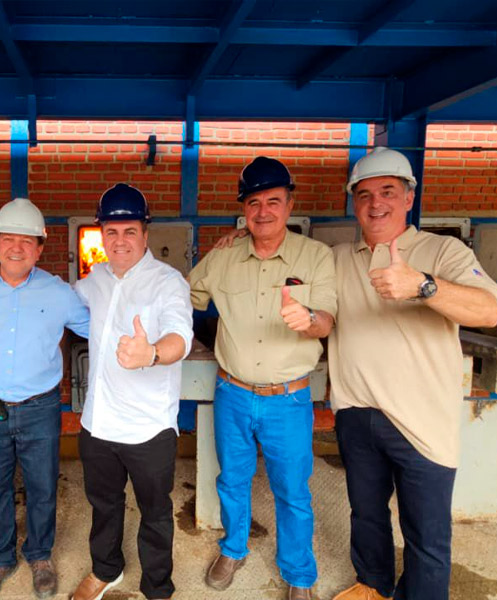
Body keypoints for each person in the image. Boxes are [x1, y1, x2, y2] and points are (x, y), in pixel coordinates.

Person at [329, 147, 497, 600]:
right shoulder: (339, 257)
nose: (376, 203)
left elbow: (488, 310)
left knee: (426, 533)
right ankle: (372, 585)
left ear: (409, 197)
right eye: (364, 194)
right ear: (354, 203)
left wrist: (422, 285)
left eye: (388, 191)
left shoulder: (443, 250)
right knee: (366, 514)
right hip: (356, 411)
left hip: (421, 421)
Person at [190, 158, 336, 600]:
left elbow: (327, 320)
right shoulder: (224, 257)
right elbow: (182, 295)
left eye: (274, 201)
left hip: (288, 400)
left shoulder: (316, 256)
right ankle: (233, 549)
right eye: (254, 203)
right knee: (232, 479)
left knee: (292, 490)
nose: (264, 211)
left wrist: (310, 319)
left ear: (289, 205)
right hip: (232, 393)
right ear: (244, 210)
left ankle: (299, 573)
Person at [0, 198, 90, 600]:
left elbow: (99, 328)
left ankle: (40, 556)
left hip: (41, 407)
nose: (16, 248)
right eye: (9, 239)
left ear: (40, 248)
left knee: (42, 487)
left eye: (27, 241)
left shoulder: (59, 292)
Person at [70, 183, 193, 600]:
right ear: (101, 234)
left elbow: (180, 336)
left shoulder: (167, 282)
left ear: (145, 233)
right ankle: (106, 570)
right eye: (111, 231)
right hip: (98, 423)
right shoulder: (95, 279)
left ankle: (157, 587)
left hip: (147, 428)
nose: (120, 240)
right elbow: (62, 301)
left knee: (155, 513)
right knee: (104, 505)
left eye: (129, 231)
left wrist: (152, 353)